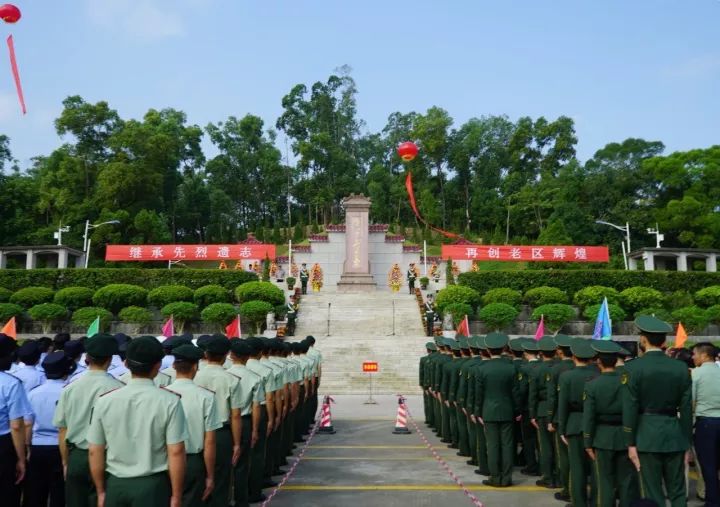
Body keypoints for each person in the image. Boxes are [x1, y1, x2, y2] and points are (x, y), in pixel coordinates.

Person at [87, 336, 188, 507]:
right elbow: (176, 451)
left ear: (126, 364)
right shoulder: (169, 401)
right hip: (153, 486)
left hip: (116, 484)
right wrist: (177, 496)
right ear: (157, 366)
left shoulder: (105, 401)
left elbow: (94, 451)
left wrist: (101, 491)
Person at [622, 316, 692, 507]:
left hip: (646, 435)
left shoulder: (633, 367)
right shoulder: (680, 367)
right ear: (665, 342)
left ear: (643, 340)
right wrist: (687, 442)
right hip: (674, 435)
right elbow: (686, 409)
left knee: (652, 492)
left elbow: (630, 407)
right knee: (678, 491)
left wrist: (630, 442)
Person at [53, 333, 124, 507]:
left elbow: (63, 430)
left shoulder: (70, 388)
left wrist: (65, 462)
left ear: (87, 359)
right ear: (109, 359)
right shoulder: (119, 389)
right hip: (108, 457)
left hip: (77, 455)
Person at [584, 340, 639, 507]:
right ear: (616, 361)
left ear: (598, 362)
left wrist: (587, 442)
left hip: (602, 437)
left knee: (604, 482)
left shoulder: (592, 385)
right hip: (625, 435)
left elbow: (589, 417)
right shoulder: (628, 382)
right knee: (626, 481)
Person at [169, 344, 222, 507]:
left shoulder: (163, 394)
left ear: (174, 367)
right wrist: (211, 476)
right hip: (192, 461)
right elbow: (209, 442)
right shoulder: (206, 397)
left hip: (166, 460)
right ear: (195, 367)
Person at [193, 335, 243, 507]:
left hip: (195, 431)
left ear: (206, 354)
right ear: (227, 355)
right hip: (221, 433)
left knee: (198, 481)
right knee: (221, 481)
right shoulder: (231, 379)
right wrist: (237, 443)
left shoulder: (195, 376)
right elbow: (235, 415)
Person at [23, 351, 76, 507]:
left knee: (35, 493)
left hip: (37, 446)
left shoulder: (33, 393)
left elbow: (28, 423)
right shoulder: (69, 392)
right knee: (59, 493)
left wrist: (27, 448)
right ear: (66, 371)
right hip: (61, 447)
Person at [558, 338, 599, 507]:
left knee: (577, 467)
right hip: (595, 423)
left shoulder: (567, 376)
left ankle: (579, 502)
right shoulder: (598, 375)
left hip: (574, 423)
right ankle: (597, 500)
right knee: (596, 467)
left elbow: (562, 405)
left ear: (573, 356)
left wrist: (562, 428)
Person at [475, 332, 519, 487]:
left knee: (492, 445)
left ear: (487, 349)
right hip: (507, 410)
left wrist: (477, 412)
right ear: (504, 348)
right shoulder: (510, 368)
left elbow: (478, 394)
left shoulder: (482, 369)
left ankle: (495, 476)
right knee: (507, 445)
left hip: (489, 410)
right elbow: (515, 392)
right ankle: (506, 478)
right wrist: (517, 410)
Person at [227, 340, 265, 507]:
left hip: (223, 423)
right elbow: (256, 406)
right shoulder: (254, 377)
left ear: (231, 355)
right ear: (248, 357)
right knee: (242, 464)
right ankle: (241, 500)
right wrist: (256, 429)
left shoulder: (225, 375)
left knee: (223, 466)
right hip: (244, 421)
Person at [0, 334, 32, 507]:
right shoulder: (11, 383)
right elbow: (16, 425)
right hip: (3, 447)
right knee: (6, 496)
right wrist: (21, 458)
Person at [691, 342, 720, 506]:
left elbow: (692, 401)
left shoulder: (696, 374)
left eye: (695, 354)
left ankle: (713, 501)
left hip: (706, 424)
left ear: (704, 355)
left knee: (708, 466)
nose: (693, 357)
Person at [546, 334, 575, 502]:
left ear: (559, 351)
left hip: (562, 418)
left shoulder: (556, 369)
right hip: (584, 420)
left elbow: (553, 398)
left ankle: (567, 488)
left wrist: (551, 419)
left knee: (563, 457)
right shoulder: (591, 370)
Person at [529, 336, 558, 488]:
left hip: (542, 410)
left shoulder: (537, 370)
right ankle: (560, 476)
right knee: (559, 448)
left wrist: (532, 414)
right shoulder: (561, 367)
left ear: (540, 352)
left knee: (545, 446)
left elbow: (532, 395)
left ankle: (548, 476)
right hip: (558, 410)